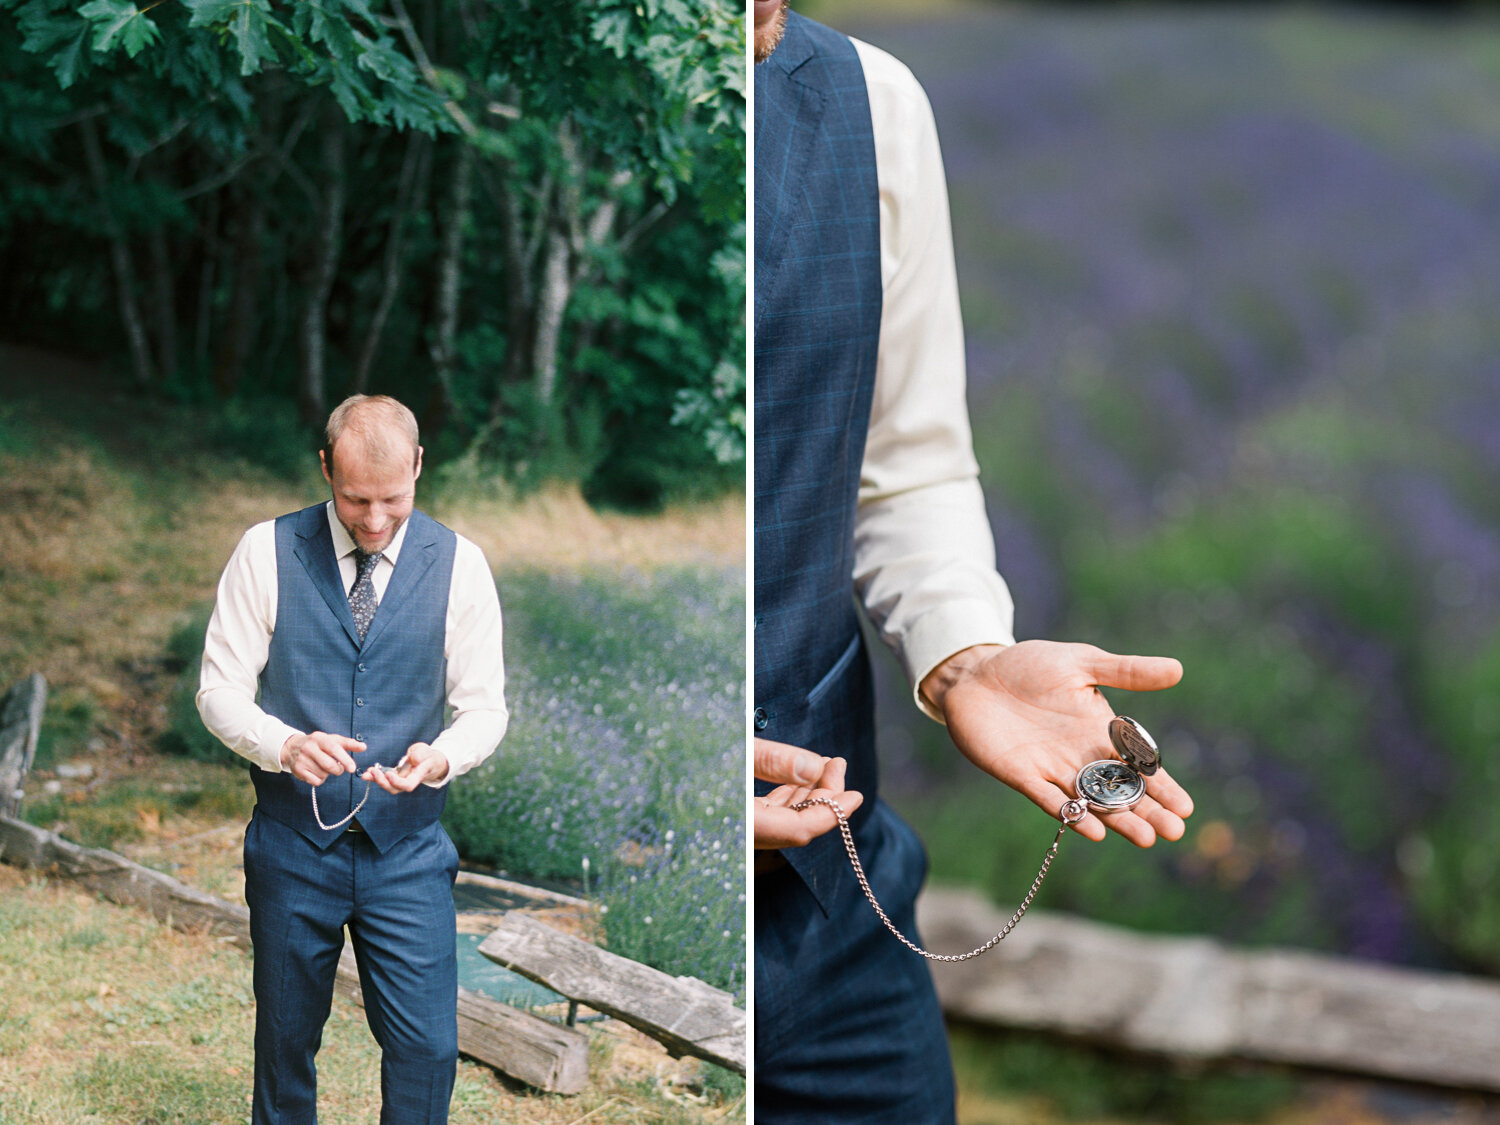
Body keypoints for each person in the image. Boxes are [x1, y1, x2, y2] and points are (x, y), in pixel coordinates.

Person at [752, 6, 1196, 1122]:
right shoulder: (536, 110)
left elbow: (907, 469)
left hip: (838, 913)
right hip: (611, 913)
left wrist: (963, 655)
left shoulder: (871, 103)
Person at [197, 394, 507, 1125]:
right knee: (285, 1043)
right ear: (324, 467)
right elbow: (218, 690)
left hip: (409, 852)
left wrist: (440, 757)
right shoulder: (263, 551)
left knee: (428, 1047)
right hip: (291, 847)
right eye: (355, 498)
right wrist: (283, 743)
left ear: (420, 467)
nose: (373, 519)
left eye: (393, 499)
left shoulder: (462, 565)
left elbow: (485, 706)